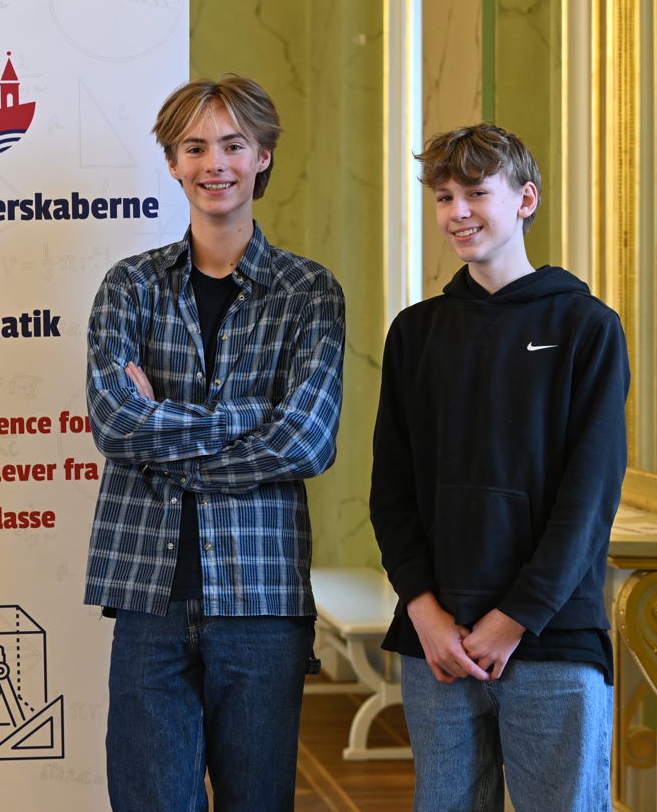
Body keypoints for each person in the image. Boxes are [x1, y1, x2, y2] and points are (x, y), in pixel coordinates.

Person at [84, 74, 346, 811]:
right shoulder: (128, 286)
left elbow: (306, 441)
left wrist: (166, 433)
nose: (214, 163)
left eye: (233, 144)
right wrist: (247, 416)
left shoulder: (309, 292)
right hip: (148, 592)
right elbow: (115, 424)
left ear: (263, 156)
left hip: (262, 594)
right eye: (194, 147)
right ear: (173, 163)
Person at [370, 124, 628, 811]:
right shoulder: (415, 333)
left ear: (525, 199)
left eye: (476, 193)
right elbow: (391, 491)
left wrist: (514, 618)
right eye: (443, 196)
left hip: (550, 637)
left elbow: (589, 497)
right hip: (438, 643)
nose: (457, 212)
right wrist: (423, 611)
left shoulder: (586, 327)